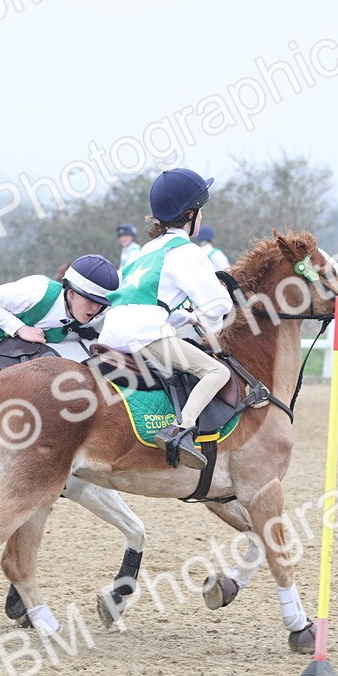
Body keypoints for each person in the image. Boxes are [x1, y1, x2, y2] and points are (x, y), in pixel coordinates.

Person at [99, 168, 233, 470]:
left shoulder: (145, 250)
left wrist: (185, 316)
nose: (202, 217)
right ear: (190, 215)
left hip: (110, 333)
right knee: (216, 372)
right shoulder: (187, 252)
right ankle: (181, 429)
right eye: (201, 211)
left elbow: (150, 299)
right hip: (145, 335)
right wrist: (208, 309)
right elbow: (217, 306)